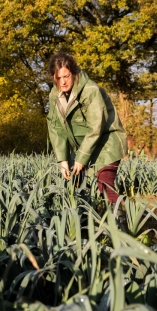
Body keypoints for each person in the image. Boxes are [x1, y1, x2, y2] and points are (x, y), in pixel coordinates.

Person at [46, 52, 128, 204]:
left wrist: (81, 157)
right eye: (58, 78)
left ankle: (120, 223)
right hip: (85, 146)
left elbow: (96, 126)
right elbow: (55, 127)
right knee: (74, 182)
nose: (63, 82)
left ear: (74, 73)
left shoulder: (90, 90)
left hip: (106, 142)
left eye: (66, 76)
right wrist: (62, 160)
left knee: (104, 185)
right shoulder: (54, 95)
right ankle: (85, 222)